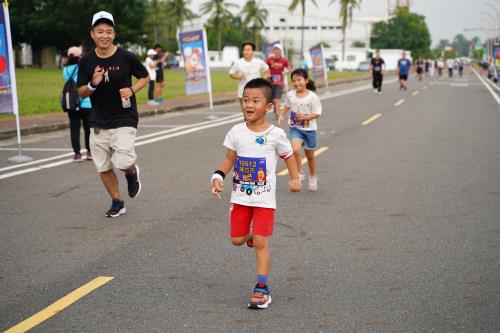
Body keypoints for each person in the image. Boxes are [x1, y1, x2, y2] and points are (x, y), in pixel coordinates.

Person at [211, 78, 301, 309]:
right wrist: (218, 176)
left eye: (255, 100)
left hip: (264, 199)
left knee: (261, 241)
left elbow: (288, 155)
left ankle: (262, 289)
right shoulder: (236, 131)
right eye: (245, 100)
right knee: (237, 240)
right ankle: (251, 235)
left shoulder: (275, 134)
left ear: (268, 107)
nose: (248, 105)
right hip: (240, 198)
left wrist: (294, 177)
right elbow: (229, 159)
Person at [77, 11, 150, 217]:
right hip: (99, 119)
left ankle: (132, 172)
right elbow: (81, 91)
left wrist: (132, 89)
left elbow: (145, 77)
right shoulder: (87, 61)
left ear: (114, 34)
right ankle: (117, 201)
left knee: (123, 161)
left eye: (108, 31)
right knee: (104, 166)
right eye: (100, 31)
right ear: (92, 34)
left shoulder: (127, 56)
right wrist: (93, 83)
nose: (104, 35)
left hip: (125, 116)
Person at [278, 68, 322, 191]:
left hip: (309, 130)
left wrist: (306, 117)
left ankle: (313, 176)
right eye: (294, 81)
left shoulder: (313, 97)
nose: (297, 83)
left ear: (306, 80)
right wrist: (281, 114)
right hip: (295, 128)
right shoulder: (290, 95)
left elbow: (317, 113)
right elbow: (286, 106)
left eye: (299, 80)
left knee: (310, 156)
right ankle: (300, 172)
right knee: (295, 150)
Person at [63, 46, 92, 162]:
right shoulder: (84, 67)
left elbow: (67, 79)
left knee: (74, 129)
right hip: (86, 102)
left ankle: (77, 154)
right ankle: (90, 152)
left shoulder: (65, 70)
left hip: (72, 103)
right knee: (88, 129)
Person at [266, 44, 291, 116]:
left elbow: (289, 68)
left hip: (280, 82)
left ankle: (278, 113)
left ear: (280, 51)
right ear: (273, 51)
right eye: (275, 49)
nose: (276, 51)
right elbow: (265, 68)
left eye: (278, 50)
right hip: (271, 81)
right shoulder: (269, 59)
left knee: (277, 98)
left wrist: (285, 72)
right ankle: (276, 108)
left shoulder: (284, 60)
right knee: (272, 99)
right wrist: (268, 74)